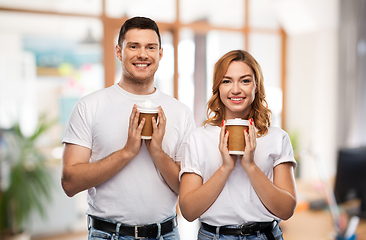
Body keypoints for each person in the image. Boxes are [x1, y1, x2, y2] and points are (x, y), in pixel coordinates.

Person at [61, 16, 195, 240]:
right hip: (108, 234)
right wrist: (127, 152)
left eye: (150, 47)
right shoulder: (89, 106)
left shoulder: (181, 112)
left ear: (160, 54)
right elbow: (70, 183)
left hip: (166, 234)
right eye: (134, 46)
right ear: (119, 52)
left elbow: (186, 189)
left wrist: (157, 152)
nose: (143, 54)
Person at [178, 50, 297, 240]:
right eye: (226, 81)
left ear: (256, 86)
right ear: (217, 87)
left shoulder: (277, 137)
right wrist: (226, 167)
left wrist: (250, 165)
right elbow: (189, 211)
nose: (235, 89)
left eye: (245, 80)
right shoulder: (198, 138)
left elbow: (286, 210)